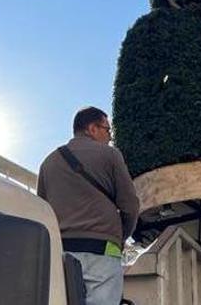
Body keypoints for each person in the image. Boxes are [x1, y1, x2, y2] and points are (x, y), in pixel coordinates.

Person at [38, 106, 140, 305]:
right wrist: (120, 235)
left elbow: (42, 210)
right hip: (102, 249)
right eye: (107, 130)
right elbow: (130, 206)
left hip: (61, 251)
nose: (110, 137)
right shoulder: (110, 155)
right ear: (92, 128)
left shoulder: (48, 163)